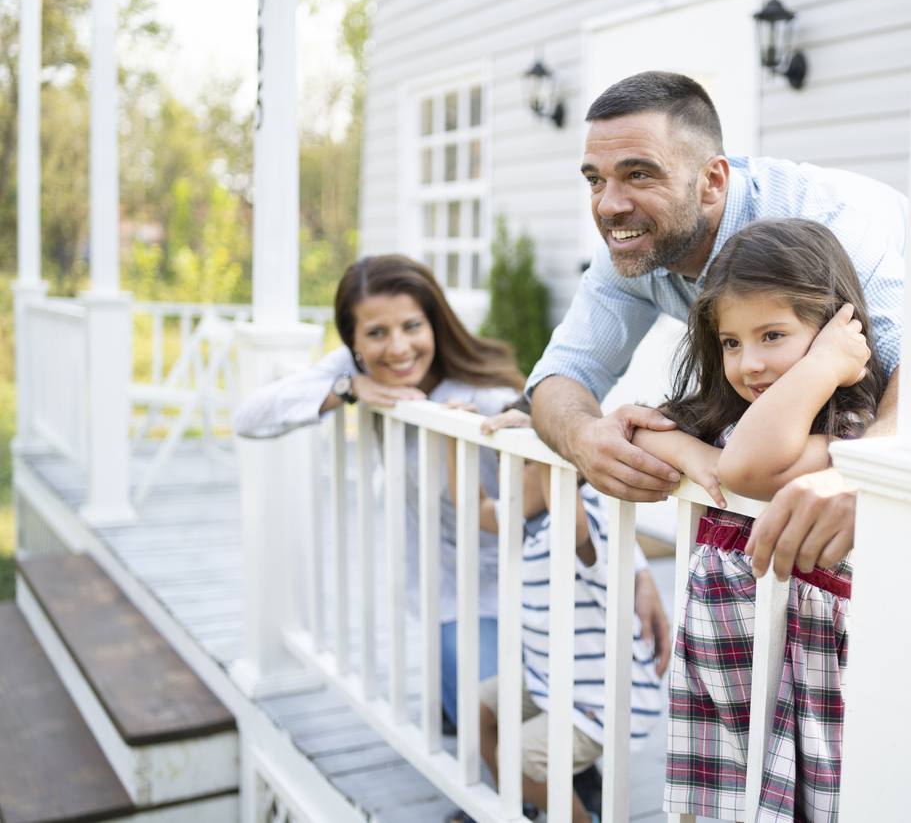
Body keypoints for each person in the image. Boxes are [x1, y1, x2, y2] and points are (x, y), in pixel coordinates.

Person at [233, 255, 671, 732]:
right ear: (354, 342)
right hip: (443, 587)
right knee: (475, 715)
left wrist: (639, 573)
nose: (397, 348)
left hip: (526, 585)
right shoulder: (356, 371)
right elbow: (250, 417)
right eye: (376, 333)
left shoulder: (482, 400)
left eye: (411, 326)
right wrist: (349, 386)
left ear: (435, 323)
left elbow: (565, 481)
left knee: (520, 724)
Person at [526, 71, 907, 581]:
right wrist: (582, 437)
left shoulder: (822, 220)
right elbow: (563, 374)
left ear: (712, 181)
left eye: (639, 174)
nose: (609, 204)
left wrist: (865, 475)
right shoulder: (632, 246)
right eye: (595, 179)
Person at [630, 218, 886, 821]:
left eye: (773, 335)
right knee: (726, 803)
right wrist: (695, 452)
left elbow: (745, 468)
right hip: (725, 662)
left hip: (806, 659)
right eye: (731, 342)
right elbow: (639, 424)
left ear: (832, 333)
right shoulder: (726, 422)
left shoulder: (844, 433)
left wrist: (822, 367)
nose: (748, 364)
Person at [443, 402, 664, 823]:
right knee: (479, 709)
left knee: (518, 754)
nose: (506, 474)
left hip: (603, 701)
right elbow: (473, 507)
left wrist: (543, 434)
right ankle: (523, 803)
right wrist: (457, 437)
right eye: (501, 462)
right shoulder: (533, 522)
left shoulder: (585, 519)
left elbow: (569, 509)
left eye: (522, 463)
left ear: (571, 469)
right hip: (555, 681)